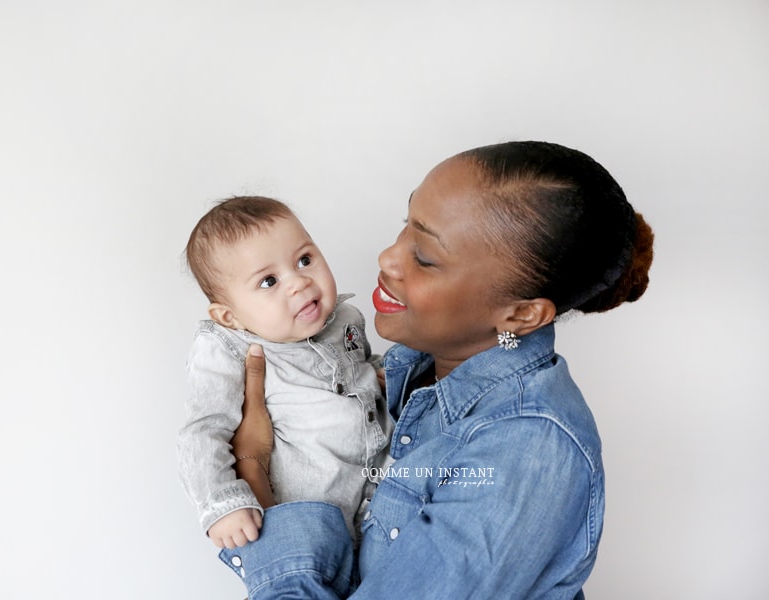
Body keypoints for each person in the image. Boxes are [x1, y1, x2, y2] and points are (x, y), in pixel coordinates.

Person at [219, 141, 655, 599]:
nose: (388, 256)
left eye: (424, 256)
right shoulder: (405, 368)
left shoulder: (524, 449)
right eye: (405, 225)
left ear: (521, 315)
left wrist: (253, 474)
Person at [177, 196, 393, 549]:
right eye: (268, 281)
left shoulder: (345, 319)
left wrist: (380, 374)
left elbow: (357, 371)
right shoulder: (228, 351)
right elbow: (202, 432)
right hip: (310, 514)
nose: (299, 282)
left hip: (385, 489)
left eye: (305, 260)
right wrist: (223, 503)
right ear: (229, 317)